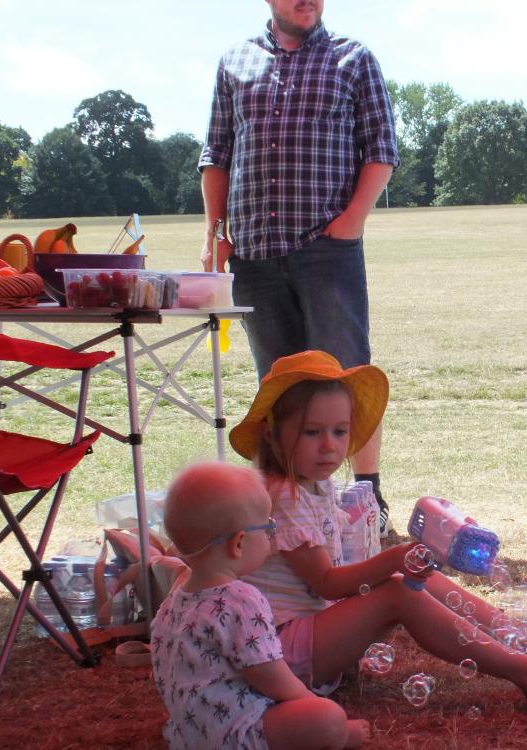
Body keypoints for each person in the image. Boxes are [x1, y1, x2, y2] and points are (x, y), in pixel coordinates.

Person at [227, 350, 527, 710]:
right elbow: (330, 583)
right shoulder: (285, 497)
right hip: (277, 654)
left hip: (305, 638)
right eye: (312, 432)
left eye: (339, 431)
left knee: (419, 578)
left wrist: (397, 563)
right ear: (271, 432)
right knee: (400, 589)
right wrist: (392, 559)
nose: (329, 446)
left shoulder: (310, 486)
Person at [198, 0, 399, 535]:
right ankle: (291, 505)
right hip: (255, 253)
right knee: (279, 385)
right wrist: (215, 233)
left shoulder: (353, 59)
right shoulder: (234, 63)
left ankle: (365, 499)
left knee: (347, 374)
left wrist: (352, 221)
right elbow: (216, 154)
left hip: (326, 248)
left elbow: (382, 148)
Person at [153, 461, 370, 750]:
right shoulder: (241, 599)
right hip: (237, 735)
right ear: (239, 544)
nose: (272, 533)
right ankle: (339, 735)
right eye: (268, 525)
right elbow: (272, 677)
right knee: (327, 717)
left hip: (189, 735)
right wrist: (327, 716)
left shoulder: (174, 600)